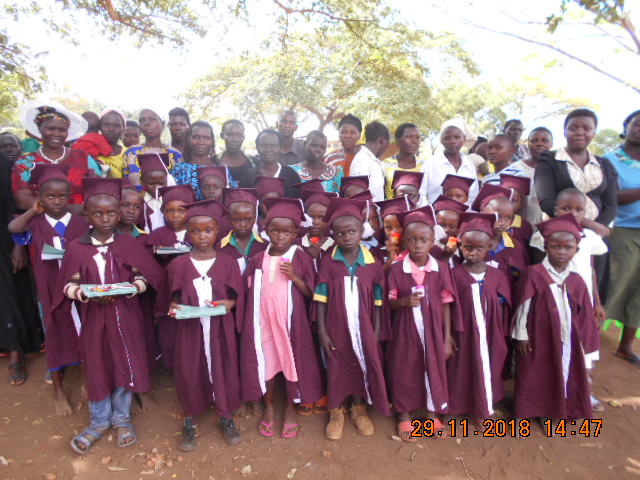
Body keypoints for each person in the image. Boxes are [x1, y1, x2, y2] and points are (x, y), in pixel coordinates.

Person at [53, 178, 168, 454]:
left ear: (118, 214)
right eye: (98, 213)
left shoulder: (128, 244)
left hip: (126, 315)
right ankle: (98, 422)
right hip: (94, 318)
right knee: (97, 365)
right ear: (86, 214)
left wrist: (130, 288)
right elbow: (67, 285)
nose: (105, 218)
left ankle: (122, 418)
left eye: (111, 213)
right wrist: (85, 294)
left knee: (124, 363)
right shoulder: (77, 248)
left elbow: (146, 278)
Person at [241, 197, 323, 439]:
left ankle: (290, 408)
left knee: (291, 363)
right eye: (274, 230)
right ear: (266, 231)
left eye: (286, 232)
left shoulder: (301, 256)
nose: (279, 236)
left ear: (296, 232)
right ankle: (268, 409)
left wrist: (296, 277)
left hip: (290, 324)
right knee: (267, 363)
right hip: (264, 322)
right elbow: (250, 289)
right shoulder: (258, 258)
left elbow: (312, 294)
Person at [8, 164, 87, 410]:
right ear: (40, 197)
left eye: (62, 196)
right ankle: (58, 389)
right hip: (48, 287)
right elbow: (14, 229)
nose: (56, 201)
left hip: (78, 286)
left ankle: (88, 375)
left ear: (69, 197)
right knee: (54, 332)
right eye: (50, 196)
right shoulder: (35, 222)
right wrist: (32, 210)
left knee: (84, 328)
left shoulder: (79, 222)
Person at [167, 198, 244, 449]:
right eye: (196, 231)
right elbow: (172, 298)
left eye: (208, 230)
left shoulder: (227, 263)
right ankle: (190, 415)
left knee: (222, 365)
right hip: (190, 328)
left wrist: (229, 305)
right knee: (190, 367)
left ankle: (225, 414)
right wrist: (174, 307)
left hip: (220, 328)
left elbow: (237, 298)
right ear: (187, 234)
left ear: (217, 232)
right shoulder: (178, 265)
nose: (202, 236)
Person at [314, 198, 390, 440]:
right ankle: (336, 410)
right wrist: (322, 332)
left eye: (352, 231)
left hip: (364, 328)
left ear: (362, 232)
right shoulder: (328, 263)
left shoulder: (372, 265)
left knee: (361, 364)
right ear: (334, 236)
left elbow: (379, 302)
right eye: (341, 233)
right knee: (336, 366)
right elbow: (321, 299)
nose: (347, 237)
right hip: (335, 328)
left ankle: (358, 408)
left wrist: (376, 331)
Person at [512, 214, 598, 425]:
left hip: (567, 338)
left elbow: (584, 314)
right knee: (536, 371)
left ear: (576, 249)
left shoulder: (576, 279)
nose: (561, 252)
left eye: (567, 247)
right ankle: (538, 409)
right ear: (545, 247)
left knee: (563, 369)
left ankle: (560, 407)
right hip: (538, 336)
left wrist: (584, 341)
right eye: (554, 247)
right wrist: (521, 335)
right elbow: (523, 306)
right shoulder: (534, 273)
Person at [386, 206, 456, 441]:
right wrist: (404, 302)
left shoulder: (440, 268)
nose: (418, 245)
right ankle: (404, 414)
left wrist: (447, 337)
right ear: (404, 241)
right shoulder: (397, 269)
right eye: (412, 240)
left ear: (432, 241)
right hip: (405, 331)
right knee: (404, 369)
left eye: (423, 240)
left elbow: (446, 302)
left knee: (433, 367)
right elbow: (390, 302)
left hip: (433, 330)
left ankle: (431, 413)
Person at [447, 213, 511, 426]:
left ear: (489, 247)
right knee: (460, 369)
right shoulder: (454, 274)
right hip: (463, 333)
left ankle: (482, 409)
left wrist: (500, 333)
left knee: (489, 366)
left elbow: (504, 305)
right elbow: (447, 305)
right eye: (467, 247)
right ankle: (456, 406)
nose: (472, 252)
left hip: (490, 333)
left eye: (479, 248)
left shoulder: (496, 275)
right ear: (460, 246)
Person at [535, 109, 617, 239]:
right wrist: (588, 224)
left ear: (594, 133)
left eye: (587, 128)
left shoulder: (605, 164)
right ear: (564, 131)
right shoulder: (548, 159)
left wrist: (594, 232)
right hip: (559, 236)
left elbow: (611, 205)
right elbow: (546, 202)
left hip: (595, 238)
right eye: (573, 128)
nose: (579, 132)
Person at [0, 152, 42, 386]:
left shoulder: (4, 164)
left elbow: (11, 206)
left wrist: (18, 244)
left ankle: (16, 352)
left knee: (7, 296)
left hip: (4, 236)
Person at [12, 103, 101, 212]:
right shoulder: (25, 163)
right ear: (39, 129)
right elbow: (22, 200)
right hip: (40, 223)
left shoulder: (83, 157)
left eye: (62, 130)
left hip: (81, 221)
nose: (56, 133)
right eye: (51, 128)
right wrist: (66, 209)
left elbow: (97, 190)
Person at [603, 110, 640, 366]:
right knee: (613, 286)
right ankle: (588, 342)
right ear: (626, 126)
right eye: (637, 124)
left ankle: (626, 346)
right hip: (623, 231)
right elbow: (611, 197)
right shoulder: (610, 159)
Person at [145, 185, 195, 370]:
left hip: (193, 290)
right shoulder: (158, 234)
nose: (175, 215)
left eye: (181, 210)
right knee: (170, 327)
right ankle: (174, 367)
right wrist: (160, 254)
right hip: (167, 290)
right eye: (170, 211)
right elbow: (149, 261)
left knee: (192, 327)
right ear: (163, 212)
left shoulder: (197, 231)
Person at [472, 185, 529, 288]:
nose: (502, 223)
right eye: (498, 216)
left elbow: (521, 281)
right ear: (482, 213)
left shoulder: (516, 247)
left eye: (508, 218)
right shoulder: (470, 242)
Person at [421, 119, 479, 205]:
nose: (452, 141)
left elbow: (473, 198)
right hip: (436, 216)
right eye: (447, 138)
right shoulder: (431, 163)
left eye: (457, 137)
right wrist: (430, 215)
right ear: (441, 141)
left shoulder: (469, 166)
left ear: (464, 138)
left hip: (464, 216)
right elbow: (421, 194)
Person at [504, 127, 553, 225]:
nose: (539, 144)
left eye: (544, 140)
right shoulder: (514, 169)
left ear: (551, 144)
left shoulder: (558, 170)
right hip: (520, 231)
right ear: (528, 144)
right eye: (534, 141)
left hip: (549, 232)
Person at [122, 109, 182, 187]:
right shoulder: (131, 152)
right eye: (142, 120)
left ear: (163, 124)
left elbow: (179, 185)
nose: (147, 123)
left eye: (152, 119)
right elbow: (127, 185)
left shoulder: (174, 154)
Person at [172, 121, 231, 199]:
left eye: (206, 138)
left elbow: (230, 197)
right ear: (188, 140)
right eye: (196, 137)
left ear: (212, 141)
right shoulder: (179, 169)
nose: (201, 142)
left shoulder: (222, 169)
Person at [239, 129, 301, 198]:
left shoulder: (291, 174)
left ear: (280, 148)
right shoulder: (249, 176)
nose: (268, 149)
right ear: (257, 148)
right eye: (263, 145)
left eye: (273, 146)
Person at [217, 188, 266, 274]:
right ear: (228, 219)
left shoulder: (265, 246)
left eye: (248, 219)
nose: (243, 224)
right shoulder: (220, 248)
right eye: (237, 220)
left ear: (255, 217)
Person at [350, 121, 390, 202]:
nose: (386, 150)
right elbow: (358, 196)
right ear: (381, 141)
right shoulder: (362, 160)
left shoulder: (374, 162)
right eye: (387, 145)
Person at [383, 123, 423, 200]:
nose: (414, 141)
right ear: (397, 140)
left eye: (417, 137)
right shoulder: (385, 165)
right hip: (393, 211)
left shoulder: (424, 165)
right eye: (409, 137)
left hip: (419, 211)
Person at [138, 153, 170, 232]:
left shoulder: (170, 201)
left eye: (161, 183)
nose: (157, 187)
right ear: (142, 182)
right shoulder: (138, 202)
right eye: (152, 184)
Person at [500, 174, 534, 244]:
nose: (508, 203)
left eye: (513, 200)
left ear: (520, 204)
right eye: (505, 197)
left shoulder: (524, 226)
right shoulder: (492, 221)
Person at [218, 120, 254, 185]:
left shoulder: (253, 162)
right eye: (230, 135)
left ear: (243, 137)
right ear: (222, 135)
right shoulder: (214, 162)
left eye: (239, 135)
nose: (235, 139)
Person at [97, 109, 127, 178]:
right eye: (106, 124)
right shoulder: (91, 152)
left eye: (116, 125)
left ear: (123, 128)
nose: (111, 129)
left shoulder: (128, 154)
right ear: (100, 127)